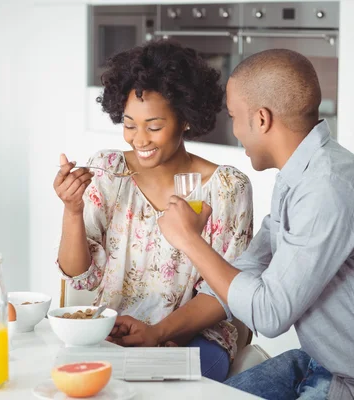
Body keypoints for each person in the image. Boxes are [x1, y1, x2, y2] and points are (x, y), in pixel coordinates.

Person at [115, 48, 354, 399]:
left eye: (233, 117)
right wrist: (157, 332)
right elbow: (245, 271)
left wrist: (190, 240)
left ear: (261, 120)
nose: (235, 131)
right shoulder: (298, 178)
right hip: (323, 364)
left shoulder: (329, 188)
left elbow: (269, 314)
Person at [53, 40, 253, 382]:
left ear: (186, 120)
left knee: (150, 384)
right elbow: (79, 277)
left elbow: (225, 293)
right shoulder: (108, 170)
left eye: (154, 126)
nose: (139, 139)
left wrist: (158, 333)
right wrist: (72, 211)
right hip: (114, 331)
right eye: (130, 124)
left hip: (195, 339)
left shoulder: (226, 188)